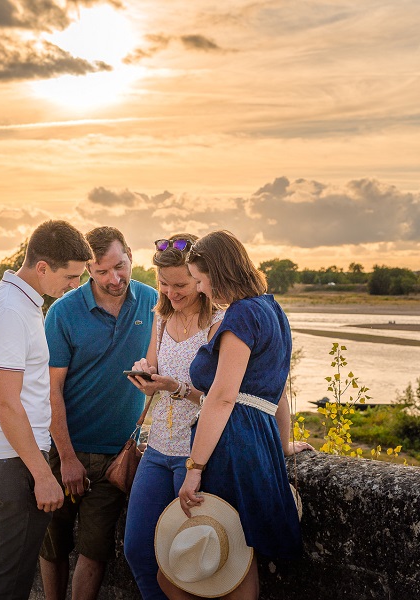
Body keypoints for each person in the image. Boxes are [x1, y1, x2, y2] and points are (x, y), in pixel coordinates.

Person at [160, 230, 312, 600]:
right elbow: (277, 396)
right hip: (257, 441)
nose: (201, 288)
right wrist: (280, 447)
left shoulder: (241, 316)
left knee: (215, 557)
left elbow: (222, 398)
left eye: (200, 279)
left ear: (219, 272)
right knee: (240, 556)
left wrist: (194, 470)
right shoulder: (272, 309)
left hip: (233, 441)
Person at [0, 220, 93, 600]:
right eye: (70, 276)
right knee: (8, 583)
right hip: (13, 462)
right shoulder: (11, 309)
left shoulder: (3, 298)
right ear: (41, 267)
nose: (74, 286)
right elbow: (5, 401)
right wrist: (42, 474)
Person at [39, 226, 158, 600]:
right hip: (63, 451)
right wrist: (68, 458)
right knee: (53, 546)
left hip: (117, 456)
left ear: (132, 258)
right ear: (88, 269)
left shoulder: (155, 302)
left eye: (120, 267)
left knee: (95, 552)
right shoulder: (62, 312)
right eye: (102, 271)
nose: (114, 278)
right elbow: (51, 390)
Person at [123, 234, 225, 600]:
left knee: (192, 557)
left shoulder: (219, 322)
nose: (170, 293)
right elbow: (153, 365)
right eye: (163, 284)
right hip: (157, 449)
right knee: (137, 549)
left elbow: (223, 398)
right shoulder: (160, 318)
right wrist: (145, 375)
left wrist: (179, 389)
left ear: (200, 279)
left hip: (194, 454)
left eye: (180, 284)